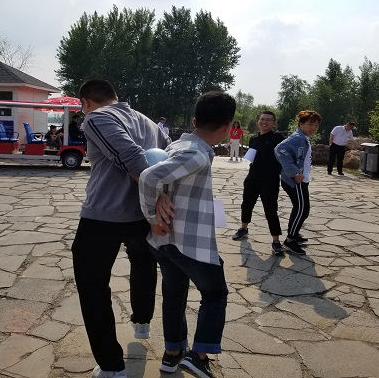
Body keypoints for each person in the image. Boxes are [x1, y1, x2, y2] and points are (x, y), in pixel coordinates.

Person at [71, 79, 171, 378]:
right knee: (143, 263)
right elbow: (168, 156)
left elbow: (130, 156)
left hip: (104, 214)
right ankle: (142, 321)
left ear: (86, 102)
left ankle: (112, 366)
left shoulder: (96, 117)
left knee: (92, 286)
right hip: (141, 216)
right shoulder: (148, 122)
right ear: (115, 95)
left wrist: (157, 195)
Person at [139, 91, 236, 378]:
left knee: (174, 294)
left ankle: (172, 354)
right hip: (188, 241)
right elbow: (149, 177)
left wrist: (157, 209)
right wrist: (152, 216)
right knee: (215, 294)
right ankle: (198, 356)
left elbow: (155, 172)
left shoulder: (179, 144)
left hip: (165, 242)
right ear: (227, 128)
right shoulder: (196, 154)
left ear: (194, 121)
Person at [232, 111, 286, 255]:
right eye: (262, 119)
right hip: (252, 177)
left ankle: (276, 241)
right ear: (258, 121)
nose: (264, 122)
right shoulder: (253, 138)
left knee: (271, 209)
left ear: (274, 123)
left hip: (270, 179)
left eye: (268, 120)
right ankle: (243, 228)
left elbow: (285, 155)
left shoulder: (278, 138)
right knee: (246, 204)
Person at [274, 110, 322, 256]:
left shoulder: (303, 137)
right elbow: (279, 149)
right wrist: (294, 172)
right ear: (301, 124)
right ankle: (290, 239)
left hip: (301, 179)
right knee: (302, 209)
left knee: (300, 208)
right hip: (295, 180)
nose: (313, 128)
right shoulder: (298, 138)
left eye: (316, 125)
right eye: (310, 124)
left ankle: (294, 234)